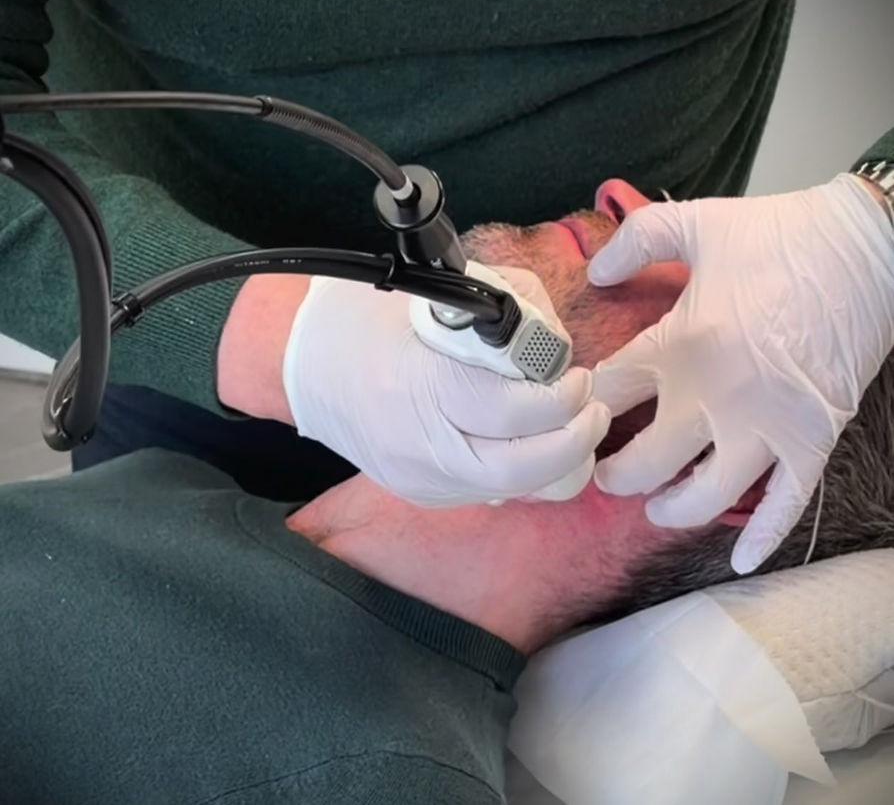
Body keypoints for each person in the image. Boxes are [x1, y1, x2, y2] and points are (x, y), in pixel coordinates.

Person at [4, 188, 894, 803]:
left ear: (731, 473)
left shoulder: (384, 778)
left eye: (735, 276)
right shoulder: (174, 481)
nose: (624, 195)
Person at [0, 0, 795, 504]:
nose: (623, 197)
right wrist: (286, 350)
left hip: (620, 420)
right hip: (181, 345)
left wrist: (861, 212)